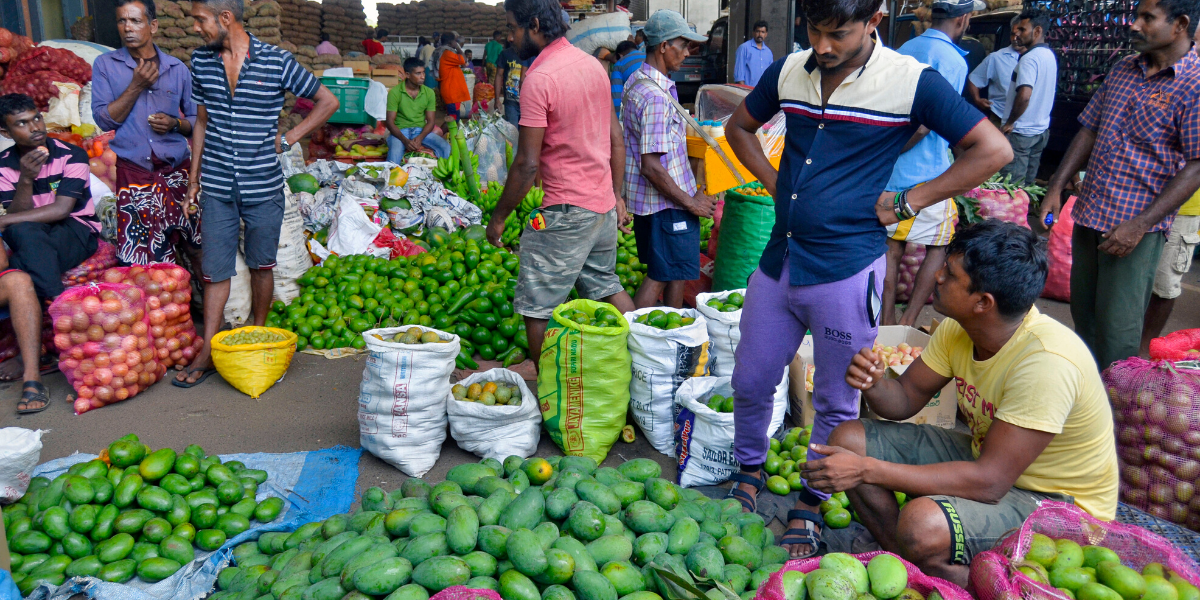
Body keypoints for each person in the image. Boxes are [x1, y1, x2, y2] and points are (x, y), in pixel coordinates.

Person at [722, 0, 1011, 559]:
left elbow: (992, 149)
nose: (823, 46)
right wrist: (779, 183)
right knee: (752, 379)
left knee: (835, 399)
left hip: (847, 270)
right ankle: (750, 471)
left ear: (875, 19)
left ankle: (809, 501)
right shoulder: (789, 70)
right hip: (780, 259)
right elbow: (739, 128)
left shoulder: (909, 82)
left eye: (839, 33)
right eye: (814, 30)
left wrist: (909, 200)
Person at [811, 221, 1118, 587]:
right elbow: (905, 399)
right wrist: (874, 384)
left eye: (950, 274)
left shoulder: (1046, 362)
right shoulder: (959, 329)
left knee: (921, 523)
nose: (937, 276)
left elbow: (989, 483)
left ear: (982, 302)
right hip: (988, 458)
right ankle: (908, 567)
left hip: (1058, 505)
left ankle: (967, 579)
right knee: (847, 439)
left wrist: (866, 470)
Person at [178, 0, 338, 387]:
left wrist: (289, 137)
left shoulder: (275, 61)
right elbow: (200, 122)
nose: (196, 28)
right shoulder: (200, 62)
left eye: (200, 20)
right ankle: (209, 350)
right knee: (215, 268)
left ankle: (255, 333)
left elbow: (327, 101)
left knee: (262, 262)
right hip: (216, 182)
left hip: (262, 183)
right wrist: (194, 180)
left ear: (225, 18)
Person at [1041, 0, 1200, 371]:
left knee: (1117, 332)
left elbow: (1195, 166)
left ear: (1179, 24)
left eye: (1147, 18)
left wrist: (1141, 224)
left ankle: (1114, 416)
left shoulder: (1193, 84)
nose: (1133, 25)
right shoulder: (1123, 69)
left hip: (1132, 230)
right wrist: (1056, 187)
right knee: (1084, 319)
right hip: (1090, 214)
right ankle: (1084, 400)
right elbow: (1089, 129)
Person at [486, 0, 636, 370]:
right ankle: (649, 362)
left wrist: (499, 217)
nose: (510, 35)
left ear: (534, 25)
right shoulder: (593, 66)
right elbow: (616, 140)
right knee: (607, 286)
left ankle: (550, 399)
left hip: (565, 212)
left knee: (537, 308)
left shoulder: (540, 77)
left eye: (513, 27)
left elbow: (526, 163)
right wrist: (615, 196)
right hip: (599, 207)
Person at [881, 0, 979, 328]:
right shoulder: (951, 59)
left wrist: (887, 153)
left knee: (890, 251)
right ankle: (907, 322)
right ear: (963, 19)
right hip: (929, 173)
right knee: (936, 246)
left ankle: (886, 320)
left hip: (891, 174)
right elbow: (927, 124)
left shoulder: (903, 48)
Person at [0, 94, 100, 412]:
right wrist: (26, 179)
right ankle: (65, 318)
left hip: (76, 232)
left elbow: (60, 210)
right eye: (22, 124)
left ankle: (49, 336)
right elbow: (18, 217)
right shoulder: (4, 166)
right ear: (5, 132)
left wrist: (4, 221)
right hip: (34, 238)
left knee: (20, 259)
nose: (34, 128)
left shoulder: (71, 154)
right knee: (24, 239)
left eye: (36, 118)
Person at [92, 0, 201, 269]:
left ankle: (202, 305)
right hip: (135, 175)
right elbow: (104, 119)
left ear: (152, 25)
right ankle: (161, 309)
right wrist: (136, 85)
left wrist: (176, 124)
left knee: (196, 246)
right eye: (121, 21)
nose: (127, 28)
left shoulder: (177, 69)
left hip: (177, 173)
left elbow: (197, 120)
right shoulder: (106, 65)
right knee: (141, 259)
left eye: (135, 21)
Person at [622, 10, 714, 309]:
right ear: (663, 46)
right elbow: (651, 166)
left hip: (658, 204)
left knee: (674, 273)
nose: (687, 53)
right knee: (661, 275)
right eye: (683, 45)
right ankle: (635, 339)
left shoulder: (637, 82)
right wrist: (691, 202)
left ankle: (672, 334)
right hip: (667, 205)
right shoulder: (655, 97)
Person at [998, 9, 1057, 184]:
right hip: (1039, 132)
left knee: (1011, 187)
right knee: (1027, 186)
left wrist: (1009, 123)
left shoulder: (1029, 59)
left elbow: (1024, 95)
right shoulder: (1049, 55)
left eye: (1023, 30)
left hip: (1021, 133)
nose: (1017, 34)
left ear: (1037, 31)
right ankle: (1026, 212)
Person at [1141, 187, 1200, 356]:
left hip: (1184, 209)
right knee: (1125, 280)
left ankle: (1144, 350)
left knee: (1165, 284)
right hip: (1138, 200)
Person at [386, 58, 452, 161]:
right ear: (407, 75)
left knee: (446, 147)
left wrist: (420, 137)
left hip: (420, 131)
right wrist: (405, 141)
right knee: (394, 155)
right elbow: (390, 122)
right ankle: (391, 175)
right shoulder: (395, 93)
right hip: (400, 132)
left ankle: (444, 175)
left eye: (423, 73)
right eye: (418, 73)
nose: (423, 76)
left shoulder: (429, 93)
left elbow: (431, 121)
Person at [965, 16, 1024, 127]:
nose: (1015, 38)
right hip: (1000, 118)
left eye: (1019, 34)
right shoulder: (996, 58)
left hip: (1029, 124)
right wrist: (977, 100)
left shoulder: (1038, 57)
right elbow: (974, 79)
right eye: (1013, 34)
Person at [494, 32, 532, 126]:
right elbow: (499, 75)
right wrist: (497, 99)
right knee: (512, 134)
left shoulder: (530, 55)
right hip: (511, 103)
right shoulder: (505, 54)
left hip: (528, 103)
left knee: (525, 136)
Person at [437, 32, 471, 119]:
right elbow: (463, 60)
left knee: (453, 118)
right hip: (451, 92)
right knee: (454, 119)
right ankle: (441, 132)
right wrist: (458, 47)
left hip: (452, 91)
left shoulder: (445, 52)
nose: (457, 42)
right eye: (455, 41)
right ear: (450, 42)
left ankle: (442, 132)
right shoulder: (447, 53)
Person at [610, 40, 646, 117]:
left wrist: (617, 120)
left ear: (620, 55)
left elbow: (616, 96)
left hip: (636, 109)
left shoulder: (619, 64)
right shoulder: (647, 56)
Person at [734, 20, 773, 87]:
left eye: (763, 32)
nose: (760, 35)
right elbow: (739, 75)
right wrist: (744, 92)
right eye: (758, 31)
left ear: (766, 34)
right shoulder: (744, 48)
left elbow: (770, 75)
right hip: (748, 91)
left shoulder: (768, 52)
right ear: (753, 32)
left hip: (763, 92)